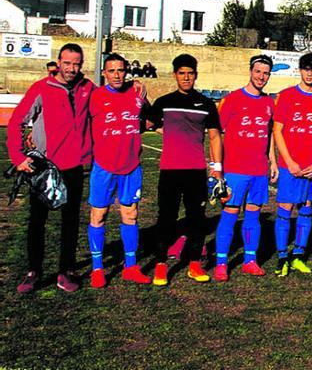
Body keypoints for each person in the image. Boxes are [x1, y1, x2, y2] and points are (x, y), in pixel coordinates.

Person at [7, 43, 94, 293]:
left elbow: (109, 100)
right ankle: (33, 271)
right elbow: (16, 122)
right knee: (37, 221)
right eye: (67, 63)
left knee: (70, 221)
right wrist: (18, 157)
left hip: (74, 166)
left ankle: (66, 271)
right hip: (44, 168)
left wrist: (135, 87)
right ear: (58, 62)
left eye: (77, 64)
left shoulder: (87, 87)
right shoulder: (42, 88)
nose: (72, 68)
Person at [146, 54, 222, 286]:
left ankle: (194, 264)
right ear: (175, 75)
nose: (186, 77)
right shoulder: (163, 102)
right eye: (182, 73)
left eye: (190, 73)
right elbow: (148, 123)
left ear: (195, 75)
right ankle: (160, 265)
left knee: (196, 219)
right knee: (166, 218)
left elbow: (215, 136)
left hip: (196, 170)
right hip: (170, 170)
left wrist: (216, 168)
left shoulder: (206, 104)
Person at [86, 53, 152, 288]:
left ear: (126, 72)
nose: (117, 75)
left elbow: (150, 118)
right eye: (112, 70)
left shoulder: (136, 94)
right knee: (99, 215)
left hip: (131, 167)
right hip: (104, 167)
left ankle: (131, 267)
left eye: (121, 70)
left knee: (130, 215)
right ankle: (97, 269)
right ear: (104, 73)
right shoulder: (95, 97)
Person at [212, 55, 278, 281]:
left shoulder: (269, 103)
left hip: (259, 170)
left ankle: (250, 260)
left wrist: (273, 160)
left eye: (266, 73)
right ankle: (221, 262)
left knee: (253, 216)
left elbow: (269, 134)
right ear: (250, 71)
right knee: (230, 214)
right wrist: (217, 167)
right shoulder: (232, 99)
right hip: (235, 170)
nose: (261, 77)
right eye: (258, 71)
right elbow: (216, 135)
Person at [272, 53, 312, 276]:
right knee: (285, 209)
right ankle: (281, 258)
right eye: (306, 68)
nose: (309, 73)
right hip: (291, 166)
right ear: (300, 69)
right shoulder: (286, 96)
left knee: (307, 209)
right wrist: (288, 162)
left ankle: (298, 255)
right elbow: (277, 131)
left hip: (311, 167)